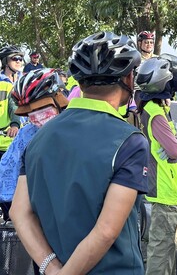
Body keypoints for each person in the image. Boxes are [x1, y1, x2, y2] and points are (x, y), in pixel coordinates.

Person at [11, 31, 148, 274]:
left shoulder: (38, 138)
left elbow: (19, 213)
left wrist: (51, 269)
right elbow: (106, 231)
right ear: (128, 78)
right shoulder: (130, 141)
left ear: (80, 82)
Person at [136, 54, 177, 275]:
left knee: (167, 246)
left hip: (169, 189)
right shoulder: (156, 114)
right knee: (161, 249)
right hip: (164, 191)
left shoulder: (153, 108)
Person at [0, 69, 68, 226]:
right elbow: (8, 169)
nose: (37, 116)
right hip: (36, 211)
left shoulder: (78, 126)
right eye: (30, 112)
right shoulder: (26, 134)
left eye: (41, 109)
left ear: (59, 99)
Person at [0, 46, 23, 158]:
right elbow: (12, 107)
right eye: (15, 58)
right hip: (5, 137)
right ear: (5, 61)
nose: (18, 61)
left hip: (22, 136)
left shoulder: (24, 80)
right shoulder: (2, 82)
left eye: (20, 58)